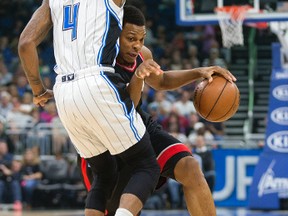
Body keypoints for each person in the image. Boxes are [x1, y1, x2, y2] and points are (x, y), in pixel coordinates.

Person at [79, 5, 237, 216]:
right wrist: (138, 77)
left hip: (139, 125)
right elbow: (126, 107)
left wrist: (199, 72)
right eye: (131, 38)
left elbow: (161, 80)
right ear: (114, 33)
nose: (137, 46)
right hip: (106, 137)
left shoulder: (142, 54)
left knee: (190, 167)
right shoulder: (98, 58)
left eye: (141, 39)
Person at [18, 1, 163, 216]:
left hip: (64, 92)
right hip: (97, 80)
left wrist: (38, 90)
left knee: (104, 174)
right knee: (146, 166)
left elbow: (25, 43)